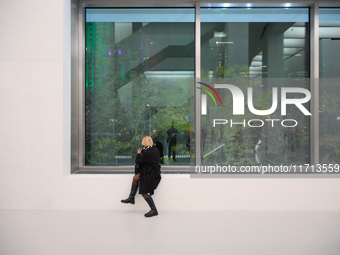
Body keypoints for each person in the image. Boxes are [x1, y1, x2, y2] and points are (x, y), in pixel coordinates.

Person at [121, 136, 162, 217]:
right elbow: (149, 157)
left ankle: (154, 210)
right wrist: (143, 151)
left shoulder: (147, 153)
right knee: (135, 178)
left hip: (150, 175)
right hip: (152, 172)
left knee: (143, 192)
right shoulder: (154, 149)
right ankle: (131, 197)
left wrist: (139, 154)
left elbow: (138, 162)